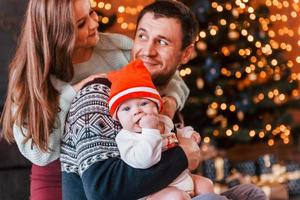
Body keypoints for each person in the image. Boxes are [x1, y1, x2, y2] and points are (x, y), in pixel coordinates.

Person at [61, 0, 266, 200]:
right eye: (142, 36)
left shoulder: (165, 103)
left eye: (162, 42)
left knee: (249, 194)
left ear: (186, 54)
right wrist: (181, 155)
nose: (147, 51)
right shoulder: (100, 95)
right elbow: (101, 191)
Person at [0, 0, 192, 199]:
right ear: (56, 33)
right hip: (56, 176)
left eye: (91, 13)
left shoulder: (118, 49)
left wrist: (170, 102)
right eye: (81, 24)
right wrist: (74, 93)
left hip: (115, 166)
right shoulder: (29, 76)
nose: (94, 24)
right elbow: (39, 154)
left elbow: (172, 77)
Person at [107, 60, 214, 199]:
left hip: (180, 179)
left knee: (207, 184)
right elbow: (145, 160)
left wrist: (189, 135)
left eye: (144, 103)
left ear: (157, 106)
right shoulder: (126, 138)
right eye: (126, 109)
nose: (137, 111)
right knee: (177, 197)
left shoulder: (164, 121)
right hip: (156, 191)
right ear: (117, 118)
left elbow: (175, 135)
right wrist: (150, 131)